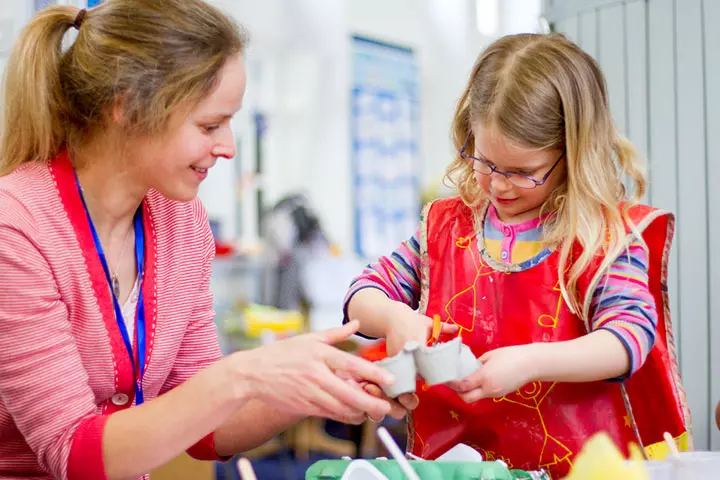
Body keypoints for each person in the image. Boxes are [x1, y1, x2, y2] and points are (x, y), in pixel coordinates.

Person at [0, 2, 417, 479]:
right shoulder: (16, 228)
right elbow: (75, 456)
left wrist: (322, 383)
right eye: (209, 125)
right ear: (127, 107)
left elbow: (203, 428)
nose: (229, 147)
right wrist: (242, 375)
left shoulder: (182, 222)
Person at [345, 33, 691, 477]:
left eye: (523, 173)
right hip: (461, 465)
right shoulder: (447, 227)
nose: (499, 185)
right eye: (485, 162)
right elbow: (364, 291)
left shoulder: (604, 235)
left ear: (574, 152)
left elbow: (629, 336)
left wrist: (530, 363)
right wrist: (394, 319)